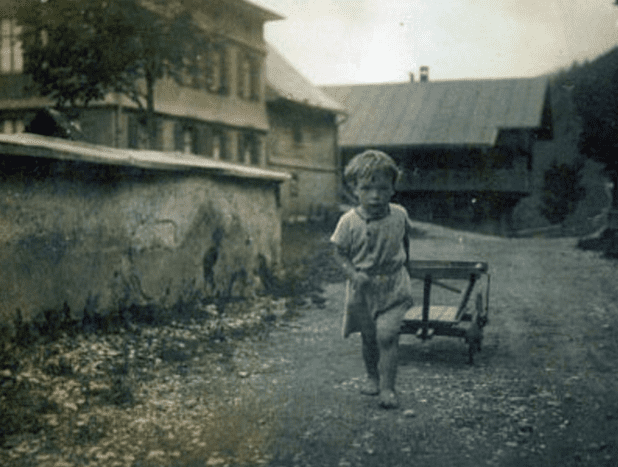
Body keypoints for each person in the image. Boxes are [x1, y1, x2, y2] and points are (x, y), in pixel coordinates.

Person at [330, 150, 415, 409]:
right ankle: (372, 377)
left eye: (382, 188)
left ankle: (388, 389)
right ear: (354, 189)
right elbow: (338, 252)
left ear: (392, 189)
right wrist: (354, 274)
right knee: (369, 337)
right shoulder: (348, 221)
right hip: (363, 290)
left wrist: (406, 268)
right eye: (367, 188)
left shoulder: (399, 215)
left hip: (393, 287)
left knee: (387, 336)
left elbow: (405, 241)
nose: (375, 196)